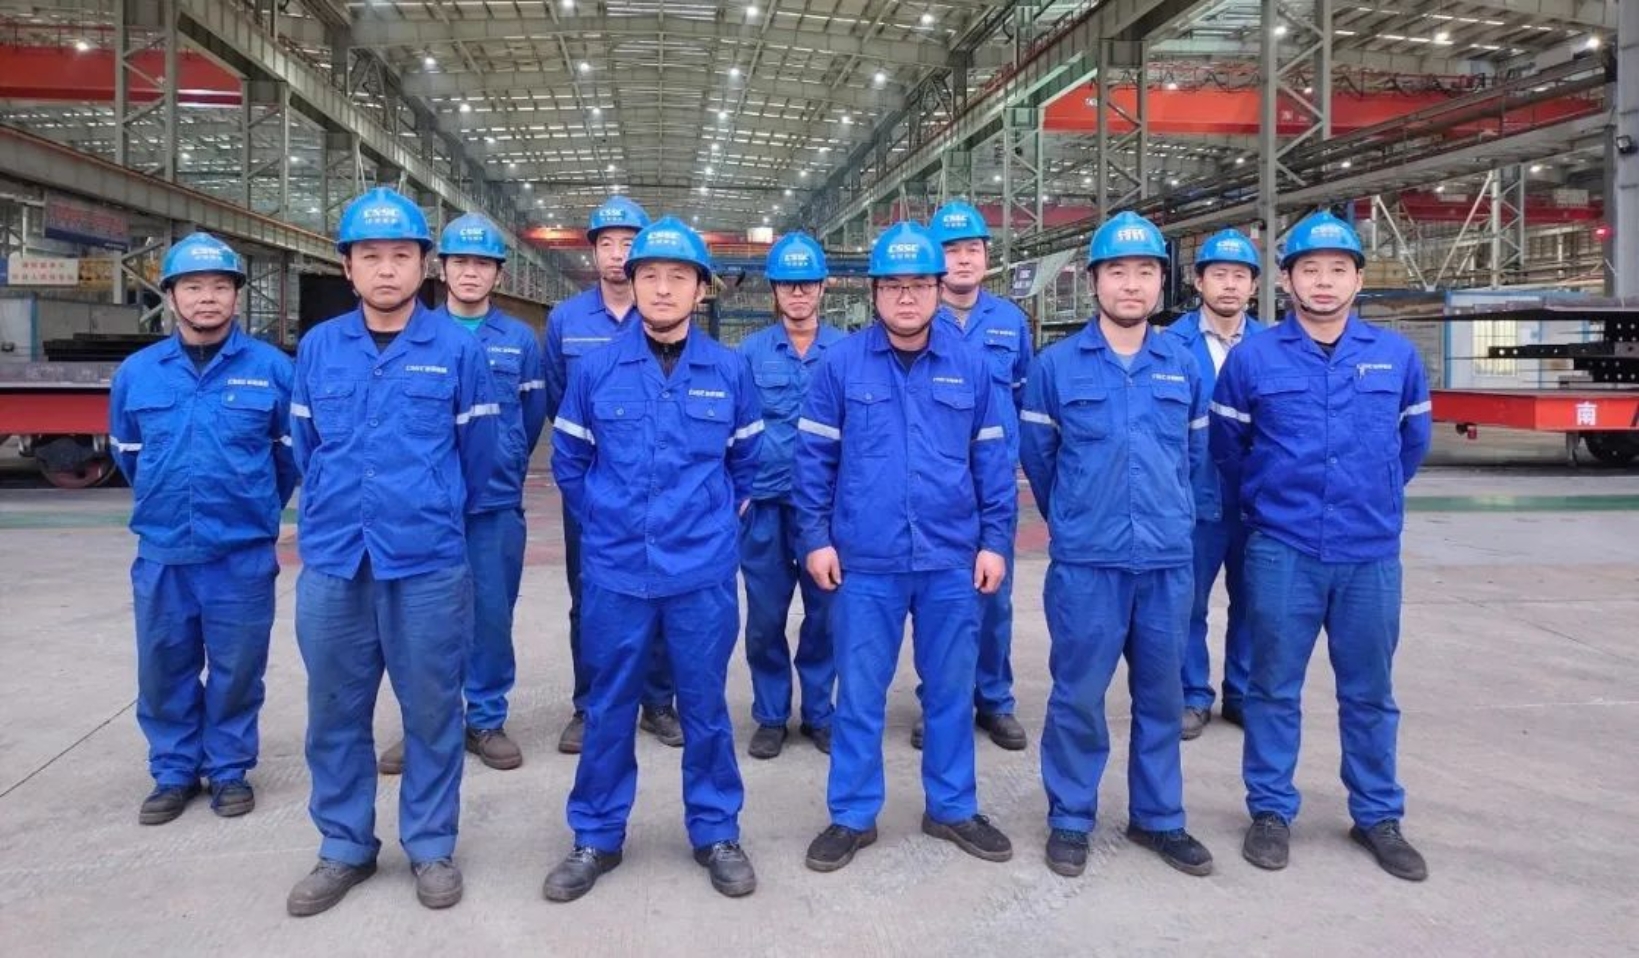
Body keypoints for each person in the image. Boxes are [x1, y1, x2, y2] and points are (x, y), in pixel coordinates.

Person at [284, 187, 500, 916]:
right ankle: (343, 846)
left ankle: (431, 845)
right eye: (370, 256)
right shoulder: (318, 349)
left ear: (422, 267)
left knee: (433, 711)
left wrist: (426, 505)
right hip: (335, 561)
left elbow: (478, 457)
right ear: (347, 268)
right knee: (334, 712)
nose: (385, 269)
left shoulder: (457, 350)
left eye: (400, 256)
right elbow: (306, 449)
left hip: (428, 563)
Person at [543, 217, 763, 902]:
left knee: (705, 705)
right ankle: (595, 834)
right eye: (649, 276)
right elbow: (569, 463)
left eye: (678, 276)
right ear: (631, 284)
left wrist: (712, 525)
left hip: (700, 575)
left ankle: (716, 830)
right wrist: (609, 522)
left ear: (701, 289)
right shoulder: (596, 370)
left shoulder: (729, 371)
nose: (663, 288)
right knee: (609, 706)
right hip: (617, 574)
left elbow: (747, 463)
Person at [1210, 210, 1432, 882]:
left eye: (1338, 269)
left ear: (1358, 279)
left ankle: (1377, 815)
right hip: (1283, 547)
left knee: (1370, 692)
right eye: (1310, 269)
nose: (1324, 281)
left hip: (1368, 554)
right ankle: (1270, 811)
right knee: (1271, 687)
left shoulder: (1395, 357)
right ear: (1285, 280)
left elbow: (1411, 445)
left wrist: (1370, 496)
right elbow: (1229, 451)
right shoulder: (1253, 360)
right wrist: (1273, 502)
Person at [795, 221, 1017, 874]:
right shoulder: (840, 366)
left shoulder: (971, 366)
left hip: (951, 558)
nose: (906, 297)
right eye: (892, 285)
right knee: (860, 696)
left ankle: (951, 806)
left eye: (918, 284)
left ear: (937, 289)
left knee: (950, 692)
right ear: (873, 293)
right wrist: (815, 538)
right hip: (866, 561)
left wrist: (994, 542)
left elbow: (993, 464)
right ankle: (851, 815)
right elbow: (813, 463)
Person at [1020, 211, 1215, 880]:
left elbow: (1195, 458)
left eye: (1145, 272)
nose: (1131, 285)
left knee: (1161, 698)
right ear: (1093, 281)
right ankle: (1070, 816)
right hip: (1087, 564)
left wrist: (1164, 514)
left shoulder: (1183, 365)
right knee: (1078, 695)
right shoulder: (1055, 367)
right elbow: (1041, 460)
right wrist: (1081, 517)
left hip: (1165, 561)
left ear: (1162, 282)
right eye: (1117, 272)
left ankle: (1158, 818)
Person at [108, 232, 297, 826]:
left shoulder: (272, 369)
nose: (207, 298)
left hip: (241, 552)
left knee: (238, 668)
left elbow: (288, 458)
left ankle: (230, 768)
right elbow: (128, 453)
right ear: (170, 297)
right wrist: (169, 503)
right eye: (192, 287)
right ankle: (172, 771)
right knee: (163, 665)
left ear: (238, 297)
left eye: (220, 286)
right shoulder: (139, 373)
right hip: (164, 550)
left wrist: (252, 509)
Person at [376, 212, 548, 775]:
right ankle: (428, 725)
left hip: (493, 505)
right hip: (426, 506)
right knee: (423, 623)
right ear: (441, 269)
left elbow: (529, 416)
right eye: (461, 262)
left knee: (491, 616)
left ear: (498, 273)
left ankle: (486, 719)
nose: (471, 272)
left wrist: (504, 462)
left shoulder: (519, 341)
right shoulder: (414, 334)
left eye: (482, 263)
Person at [543, 195, 681, 754]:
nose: (618, 253)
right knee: (591, 598)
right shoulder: (566, 320)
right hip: (596, 488)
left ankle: (658, 702)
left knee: (664, 590)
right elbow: (557, 403)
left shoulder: (666, 313)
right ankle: (590, 704)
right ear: (593, 252)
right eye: (608, 243)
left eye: (629, 243)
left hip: (663, 484)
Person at [903, 200, 1032, 753]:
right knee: (940, 604)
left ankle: (995, 701)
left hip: (993, 483)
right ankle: (939, 702)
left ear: (986, 257)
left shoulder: (1010, 321)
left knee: (994, 600)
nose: (962, 259)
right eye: (951, 250)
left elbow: (1022, 394)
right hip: (937, 485)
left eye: (972, 249)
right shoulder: (915, 319)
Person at [738, 232, 845, 760]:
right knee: (765, 618)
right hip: (764, 506)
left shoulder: (847, 351)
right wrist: (736, 491)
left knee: (826, 615)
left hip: (827, 510)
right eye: (787, 285)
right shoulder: (749, 353)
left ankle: (820, 713)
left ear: (823, 287)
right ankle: (771, 715)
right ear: (774, 291)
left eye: (806, 284)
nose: (798, 294)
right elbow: (730, 427)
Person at [1161, 229, 1266, 740]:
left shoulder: (1274, 346)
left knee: (1255, 600)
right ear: (1198, 281)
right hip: (1194, 497)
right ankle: (1192, 695)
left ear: (1254, 286)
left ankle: (1242, 692)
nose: (1229, 284)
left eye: (1239, 275)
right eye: (1218, 274)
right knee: (1189, 603)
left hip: (1256, 500)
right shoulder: (1169, 345)